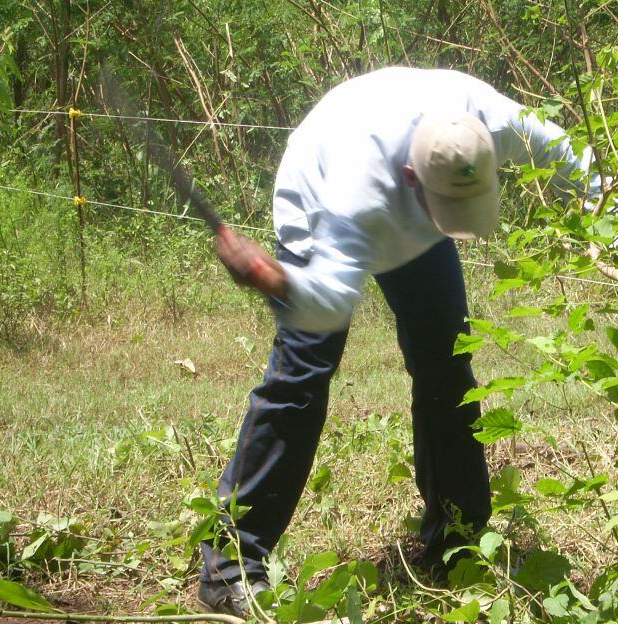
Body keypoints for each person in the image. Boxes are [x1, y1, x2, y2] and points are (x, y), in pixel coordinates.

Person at [197, 67, 597, 617]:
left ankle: (456, 546)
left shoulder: (493, 124)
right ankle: (229, 568)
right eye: (446, 210)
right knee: (302, 377)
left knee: (447, 366)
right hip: (317, 190)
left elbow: (580, 166)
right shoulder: (355, 199)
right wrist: (273, 280)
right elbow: (326, 303)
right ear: (413, 178)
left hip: (397, 182)